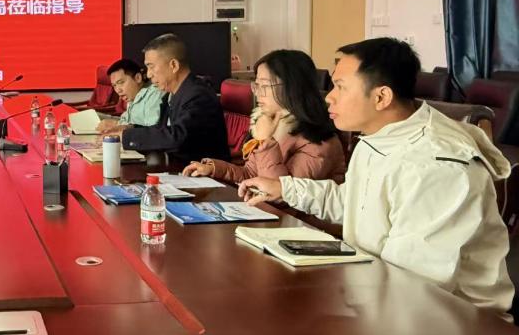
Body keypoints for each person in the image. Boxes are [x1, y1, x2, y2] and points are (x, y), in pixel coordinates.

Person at [239, 37, 514, 315]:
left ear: (381, 97)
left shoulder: (436, 166)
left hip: (453, 321)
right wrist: (284, 188)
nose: (329, 97)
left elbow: (412, 286)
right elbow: (354, 202)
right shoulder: (379, 136)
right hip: (380, 296)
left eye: (340, 87)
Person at [183, 49, 346, 184]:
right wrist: (213, 169)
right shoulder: (272, 123)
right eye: (257, 85)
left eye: (265, 85)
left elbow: (282, 196)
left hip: (291, 214)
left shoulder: (320, 143)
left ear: (293, 88)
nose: (258, 93)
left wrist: (266, 143)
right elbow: (250, 174)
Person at [121, 33, 229, 165]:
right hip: (178, 167)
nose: (148, 75)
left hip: (202, 172)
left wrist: (127, 136)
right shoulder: (172, 94)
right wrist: (129, 129)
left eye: (151, 66)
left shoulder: (199, 95)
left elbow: (178, 137)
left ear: (174, 65)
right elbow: (162, 129)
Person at [96, 58, 165, 135]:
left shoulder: (154, 95)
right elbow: (126, 121)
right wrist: (99, 117)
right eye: (114, 85)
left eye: (121, 82)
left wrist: (117, 124)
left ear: (138, 78)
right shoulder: (133, 96)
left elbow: (153, 132)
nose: (118, 90)